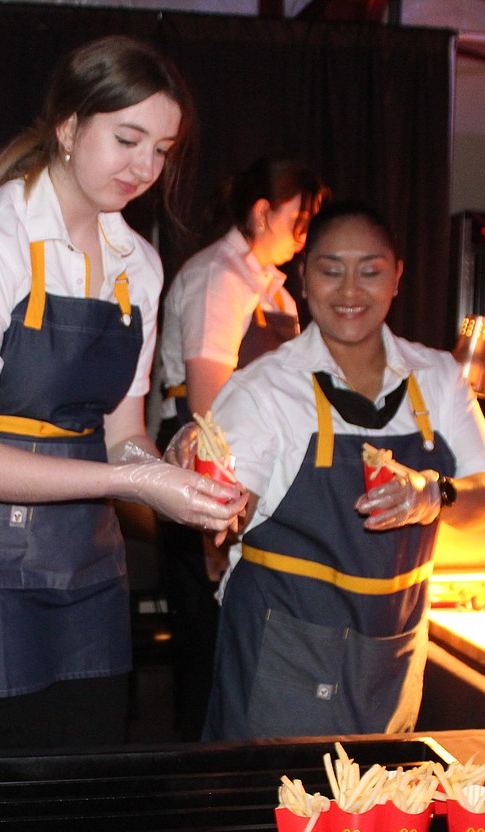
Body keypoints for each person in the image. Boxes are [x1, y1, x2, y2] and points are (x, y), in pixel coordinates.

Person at [0, 35, 247, 752]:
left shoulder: (137, 265)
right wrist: (133, 481)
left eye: (163, 148)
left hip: (83, 564)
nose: (146, 167)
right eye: (128, 138)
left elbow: (123, 433)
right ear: (67, 127)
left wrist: (174, 472)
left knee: (82, 785)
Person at [195, 200, 485, 741]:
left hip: (390, 654)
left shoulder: (437, 377)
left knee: (377, 815)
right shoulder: (264, 388)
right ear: (304, 276)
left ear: (397, 277)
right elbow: (217, 527)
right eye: (330, 269)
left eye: (370, 270)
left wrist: (434, 493)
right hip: (283, 655)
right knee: (271, 815)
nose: (350, 290)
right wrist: (213, 500)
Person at [154, 158, 328, 739]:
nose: (306, 234)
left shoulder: (276, 290)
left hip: (263, 481)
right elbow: (209, 415)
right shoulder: (218, 277)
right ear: (261, 213)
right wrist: (213, 526)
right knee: (207, 651)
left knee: (253, 644)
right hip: (206, 476)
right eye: (299, 219)